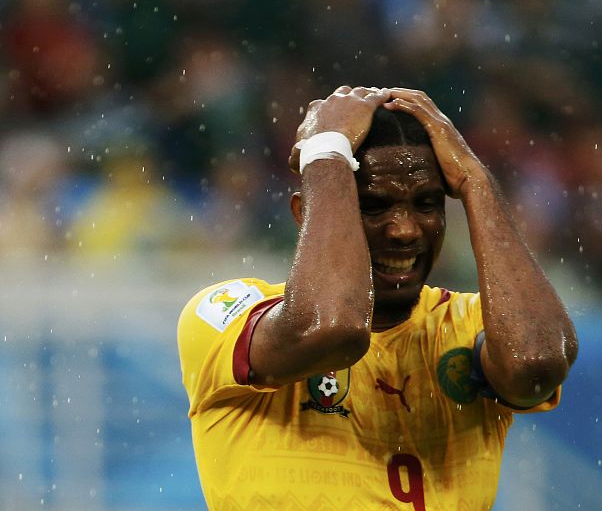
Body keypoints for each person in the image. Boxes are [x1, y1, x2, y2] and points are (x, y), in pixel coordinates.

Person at [177, 86, 578, 510]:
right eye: (373, 206)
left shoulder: (465, 325)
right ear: (304, 214)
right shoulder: (223, 313)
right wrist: (326, 154)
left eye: (426, 204)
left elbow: (536, 363)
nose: (404, 230)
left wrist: (474, 180)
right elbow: (333, 329)